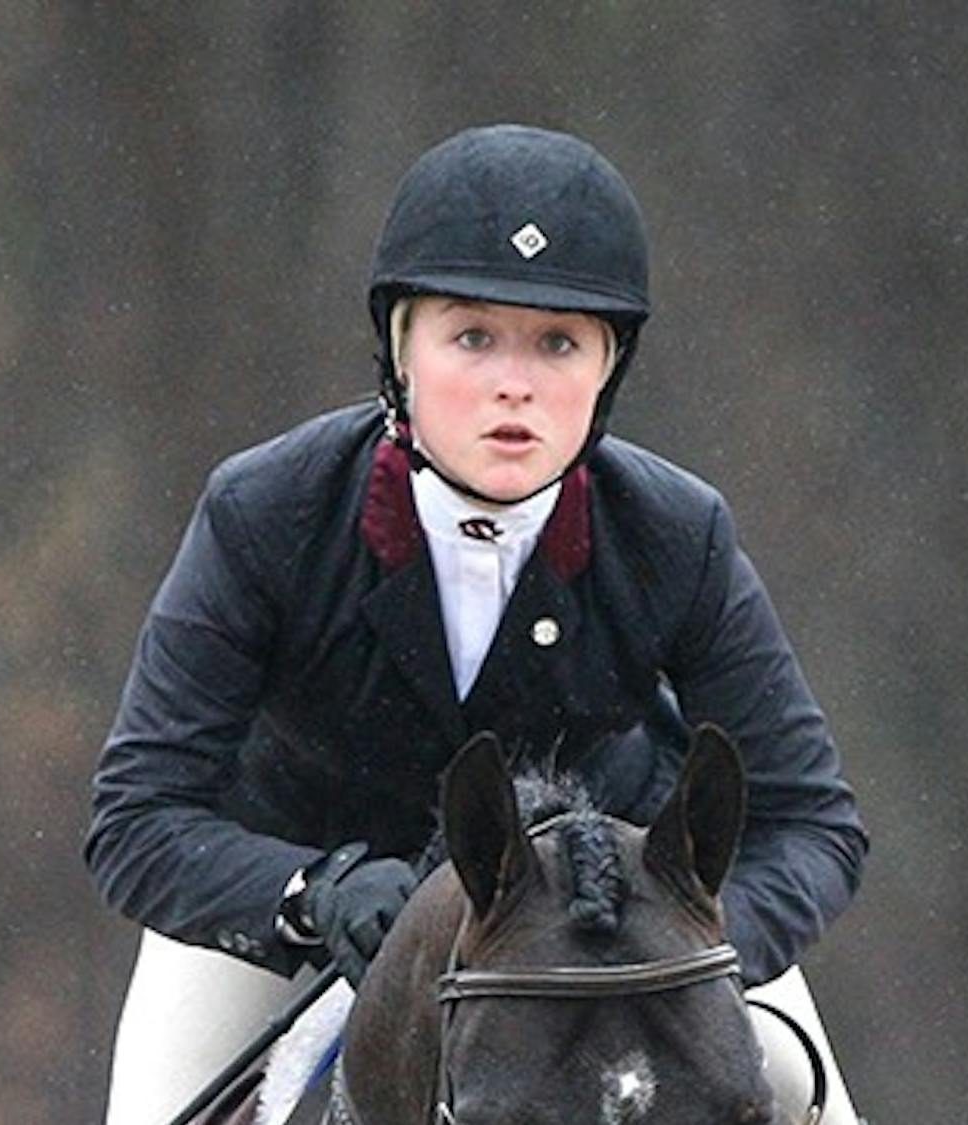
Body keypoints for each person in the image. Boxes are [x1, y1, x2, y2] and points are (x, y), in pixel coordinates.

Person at [86, 123, 869, 1124]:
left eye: (558, 344)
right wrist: (306, 894)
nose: (515, 384)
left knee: (809, 1098)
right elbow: (137, 816)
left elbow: (812, 823)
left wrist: (688, 941)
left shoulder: (678, 534)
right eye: (473, 337)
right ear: (400, 351)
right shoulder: (266, 512)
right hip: (312, 919)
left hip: (617, 934)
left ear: (608, 368)